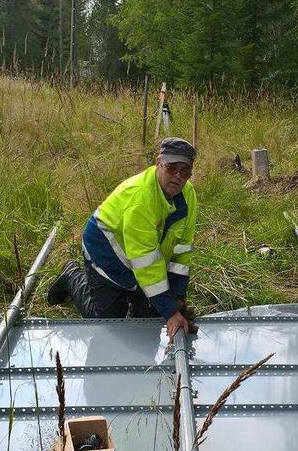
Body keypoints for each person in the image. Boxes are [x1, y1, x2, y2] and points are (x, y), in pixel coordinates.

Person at [48, 137, 197, 338]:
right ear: (158, 163)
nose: (178, 176)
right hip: (105, 247)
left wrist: (177, 297)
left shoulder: (188, 196)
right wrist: (170, 311)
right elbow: (145, 262)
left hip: (138, 255)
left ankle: (138, 294)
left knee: (149, 317)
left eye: (185, 171)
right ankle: (71, 275)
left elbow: (181, 250)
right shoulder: (140, 199)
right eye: (171, 168)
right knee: (107, 322)